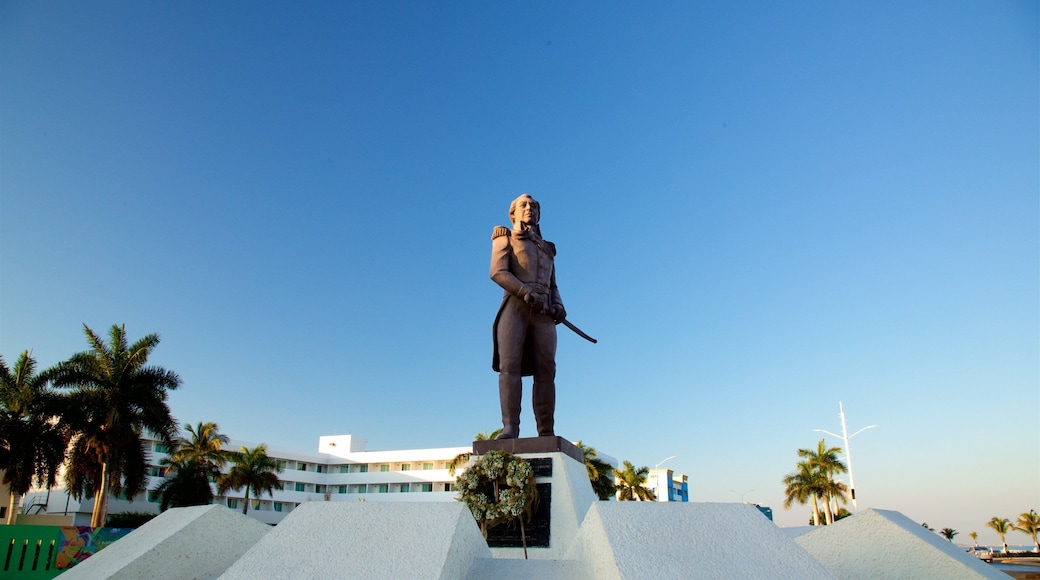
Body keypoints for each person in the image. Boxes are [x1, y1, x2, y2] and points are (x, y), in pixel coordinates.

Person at [490, 193, 566, 439]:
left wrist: (558, 305)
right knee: (509, 367)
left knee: (547, 371)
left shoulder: (548, 250)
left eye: (533, 206)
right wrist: (524, 291)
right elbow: (498, 272)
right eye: (523, 205)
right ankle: (510, 428)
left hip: (543, 313)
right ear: (513, 213)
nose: (529, 208)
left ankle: (546, 431)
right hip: (515, 307)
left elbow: (553, 285)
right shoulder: (505, 237)